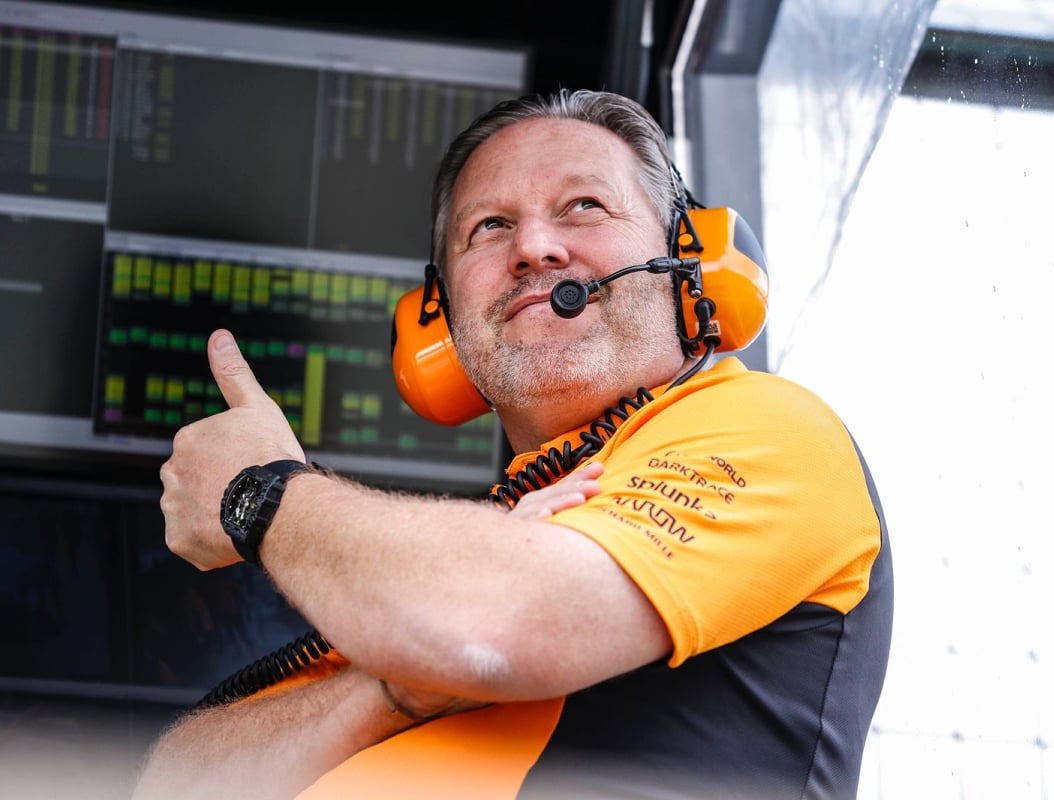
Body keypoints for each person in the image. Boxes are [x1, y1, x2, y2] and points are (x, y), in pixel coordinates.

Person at [134, 88, 893, 800]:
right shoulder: (432, 579)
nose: (533, 247)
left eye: (584, 206)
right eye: (489, 227)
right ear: (438, 323)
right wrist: (393, 688)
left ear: (690, 257)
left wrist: (262, 495)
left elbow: (497, 627)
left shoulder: (774, 430)